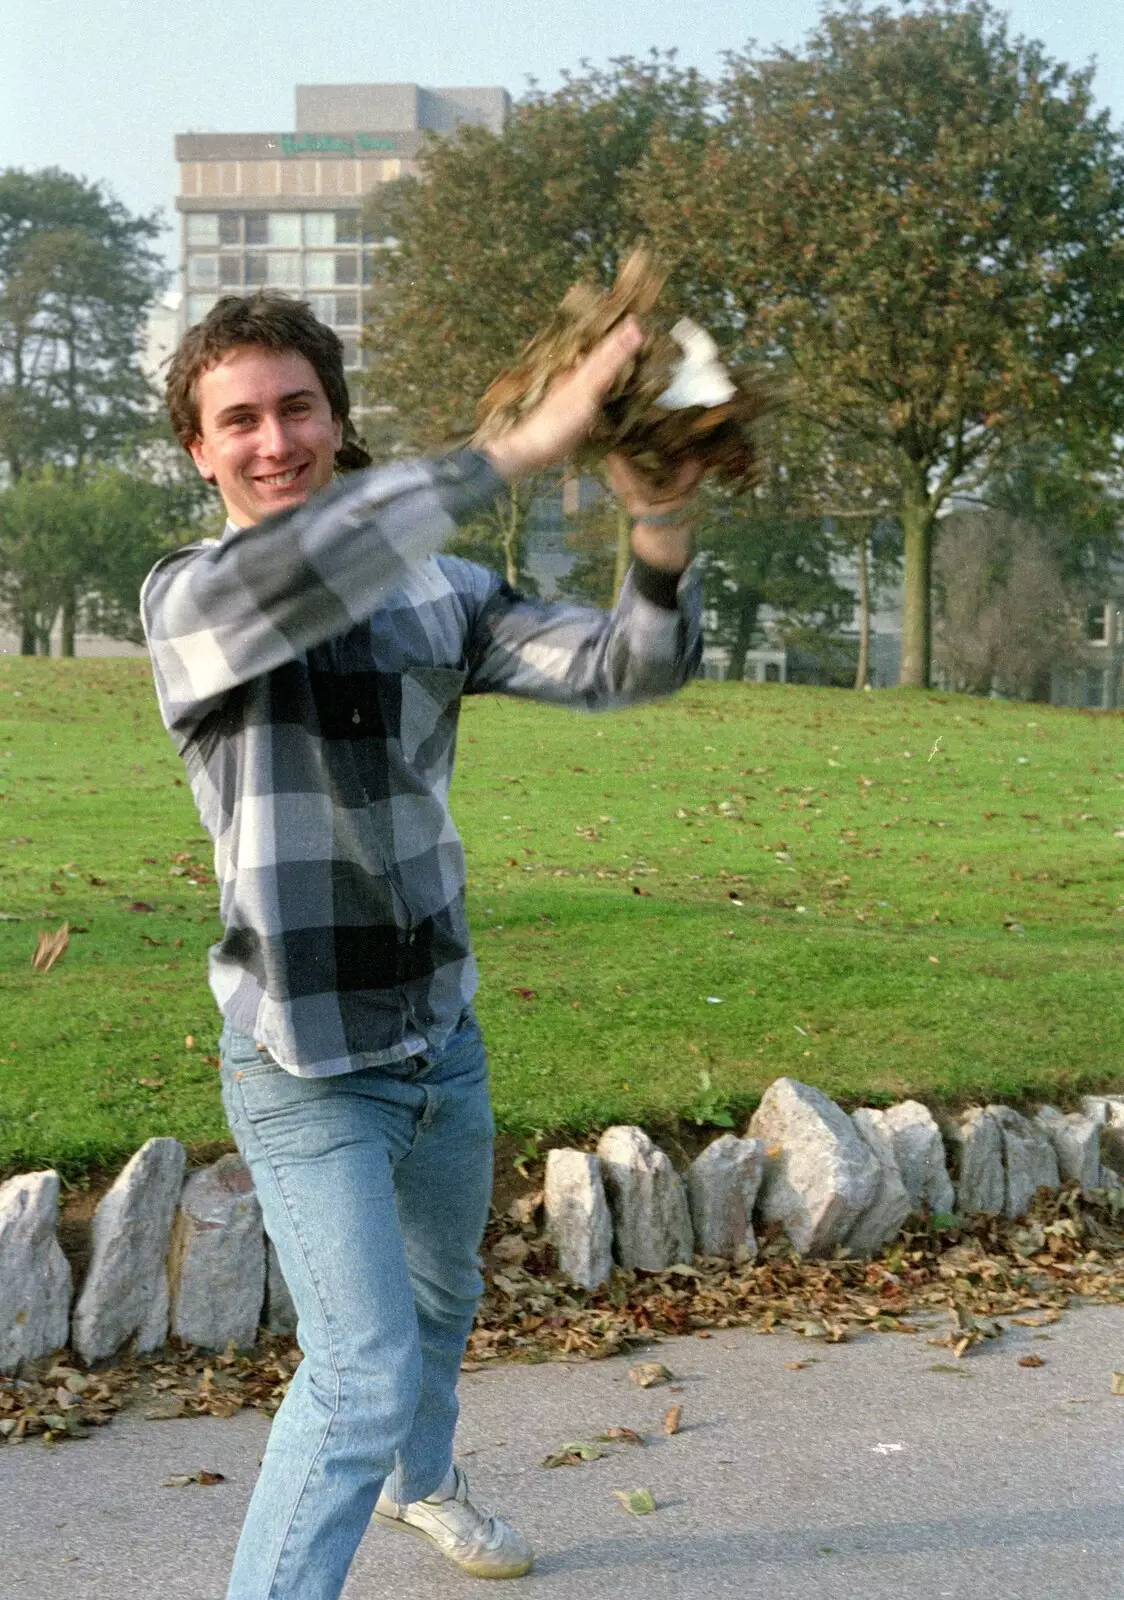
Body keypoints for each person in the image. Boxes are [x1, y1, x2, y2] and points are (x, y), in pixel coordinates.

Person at [142, 290, 702, 1600]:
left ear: (337, 423)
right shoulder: (195, 601)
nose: (272, 440)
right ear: (199, 451)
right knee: (358, 1370)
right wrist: (521, 441)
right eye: (239, 420)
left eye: (297, 408)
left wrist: (661, 521)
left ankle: (424, 1481)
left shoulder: (439, 592)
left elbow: (628, 665)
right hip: (304, 1062)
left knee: (441, 1308)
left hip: (441, 1040)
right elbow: (314, 563)